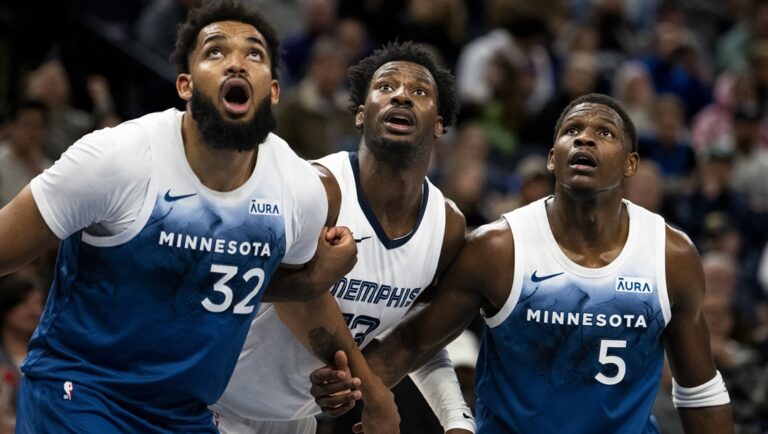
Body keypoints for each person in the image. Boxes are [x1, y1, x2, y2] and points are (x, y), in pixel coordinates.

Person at [0, 2, 399, 432]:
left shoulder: (298, 189)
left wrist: (368, 386)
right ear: (185, 85)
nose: (236, 63)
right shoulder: (116, 160)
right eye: (214, 51)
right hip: (80, 394)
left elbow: (298, 297)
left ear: (275, 90)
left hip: (185, 413)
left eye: (254, 54)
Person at [311, 93, 735, 433]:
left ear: (631, 164)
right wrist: (349, 388)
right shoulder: (498, 248)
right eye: (573, 131)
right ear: (553, 157)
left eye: (604, 133)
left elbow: (699, 390)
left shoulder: (671, 255)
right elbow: (411, 344)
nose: (584, 139)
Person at [213, 41, 475, 434]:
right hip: (212, 397)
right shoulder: (320, 189)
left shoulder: (447, 227)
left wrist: (457, 420)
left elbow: (416, 341)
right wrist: (372, 390)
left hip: (294, 420)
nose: (401, 95)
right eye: (386, 87)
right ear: (359, 114)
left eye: (419, 91)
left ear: (439, 123)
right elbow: (300, 298)